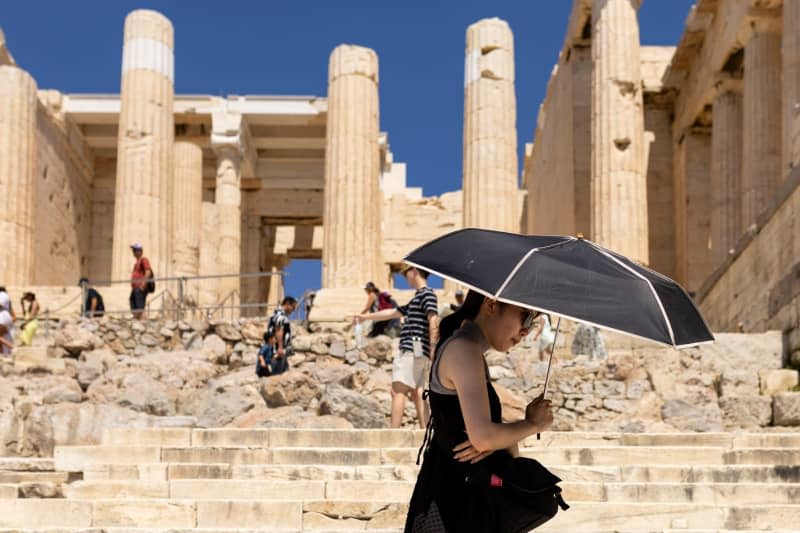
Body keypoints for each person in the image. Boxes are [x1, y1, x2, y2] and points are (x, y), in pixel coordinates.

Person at [404, 290, 554, 532]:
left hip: (464, 498)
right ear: (491, 304)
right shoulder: (463, 348)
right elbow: (483, 437)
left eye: (533, 322)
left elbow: (490, 441)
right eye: (525, 317)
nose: (526, 331)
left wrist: (495, 438)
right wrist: (534, 425)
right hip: (453, 502)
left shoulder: (467, 348)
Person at [355, 265, 439, 428]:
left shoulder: (426, 294)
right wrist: (365, 316)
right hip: (419, 347)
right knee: (417, 391)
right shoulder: (419, 296)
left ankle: (393, 434)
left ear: (414, 271)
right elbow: (393, 313)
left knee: (398, 390)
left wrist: (434, 346)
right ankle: (425, 434)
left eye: (406, 273)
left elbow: (433, 319)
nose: (405, 278)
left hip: (413, 345)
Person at [265, 296, 298, 375]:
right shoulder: (280, 315)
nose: (293, 310)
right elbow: (279, 330)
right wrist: (280, 347)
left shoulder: (276, 314)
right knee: (277, 376)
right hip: (278, 351)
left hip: (279, 351)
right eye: (293, 307)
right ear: (287, 304)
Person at [129, 243, 152, 320]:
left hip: (140, 288)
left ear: (140, 251)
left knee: (140, 308)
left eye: (135, 250)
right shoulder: (136, 263)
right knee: (133, 304)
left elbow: (148, 272)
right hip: (135, 288)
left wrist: (143, 284)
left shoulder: (144, 260)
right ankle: (137, 322)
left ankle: (143, 323)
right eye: (134, 250)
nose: (134, 252)